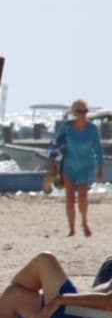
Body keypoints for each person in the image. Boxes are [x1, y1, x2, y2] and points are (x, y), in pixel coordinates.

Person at [48, 99, 104, 237]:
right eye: (80, 111)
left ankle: (84, 222)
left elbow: (98, 149)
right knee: (69, 197)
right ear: (74, 113)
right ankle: (72, 229)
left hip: (86, 165)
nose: (83, 114)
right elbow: (55, 144)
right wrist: (51, 164)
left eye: (85, 111)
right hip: (69, 165)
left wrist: (100, 168)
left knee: (83, 196)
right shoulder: (67, 127)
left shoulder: (92, 129)